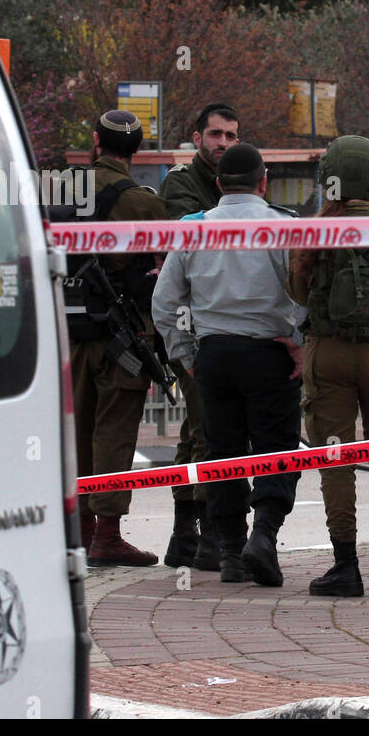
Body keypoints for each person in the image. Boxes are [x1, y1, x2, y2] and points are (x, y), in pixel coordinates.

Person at [152, 143, 306, 584]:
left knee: (222, 456)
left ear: (218, 185)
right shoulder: (285, 227)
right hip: (269, 354)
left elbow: (164, 303)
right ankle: (264, 534)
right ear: (264, 182)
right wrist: (296, 340)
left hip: (214, 357)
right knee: (277, 451)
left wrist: (186, 354)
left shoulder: (193, 230)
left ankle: (230, 553)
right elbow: (304, 293)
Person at [288, 136, 369, 596]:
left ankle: (346, 564)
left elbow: (299, 294)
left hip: (330, 354)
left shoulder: (316, 231)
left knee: (335, 458)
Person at [72, 110, 167, 566]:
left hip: (69, 333)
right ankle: (106, 535)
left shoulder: (63, 191)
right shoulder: (144, 202)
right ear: (137, 151)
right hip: (122, 336)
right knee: (113, 431)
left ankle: (78, 532)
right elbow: (160, 269)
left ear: (95, 140)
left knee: (76, 429)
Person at [156, 102, 241, 572]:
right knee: (204, 426)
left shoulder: (227, 186)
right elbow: (196, 247)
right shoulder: (182, 184)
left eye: (230, 135)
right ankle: (200, 531)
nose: (223, 143)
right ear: (197, 138)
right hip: (192, 322)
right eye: (215, 134)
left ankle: (187, 533)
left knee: (200, 427)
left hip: (218, 319)